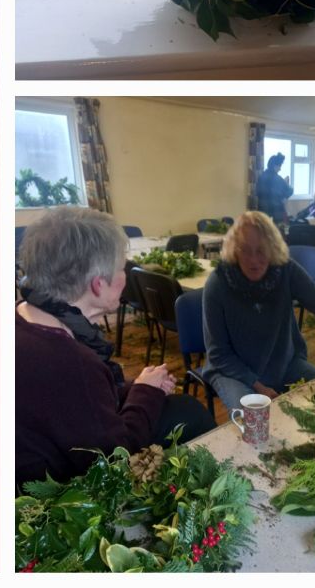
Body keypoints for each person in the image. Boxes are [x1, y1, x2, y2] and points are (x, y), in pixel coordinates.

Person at [16, 206, 216, 486]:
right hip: (55, 493)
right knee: (189, 412)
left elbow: (77, 405)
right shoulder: (68, 361)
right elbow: (115, 456)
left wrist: (138, 387)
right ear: (98, 285)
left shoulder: (22, 316)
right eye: (122, 267)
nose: (125, 276)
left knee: (181, 407)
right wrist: (146, 391)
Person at [201, 211, 315, 410]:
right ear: (234, 250)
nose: (253, 260)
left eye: (261, 250)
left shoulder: (284, 270)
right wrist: (258, 386)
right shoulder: (218, 284)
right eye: (245, 250)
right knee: (253, 420)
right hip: (232, 371)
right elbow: (219, 355)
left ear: (272, 248)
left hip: (283, 363)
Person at [256, 153, 293, 224]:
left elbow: (257, 192)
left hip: (263, 211)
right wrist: (285, 197)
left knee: (264, 231)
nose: (280, 169)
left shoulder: (261, 177)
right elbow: (290, 190)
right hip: (276, 212)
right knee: (277, 232)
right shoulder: (278, 179)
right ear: (274, 166)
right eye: (279, 166)